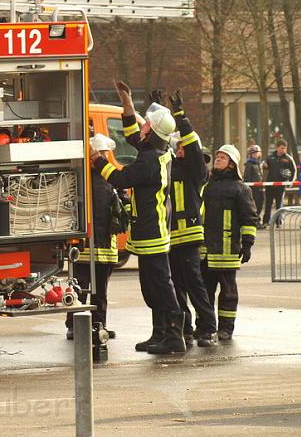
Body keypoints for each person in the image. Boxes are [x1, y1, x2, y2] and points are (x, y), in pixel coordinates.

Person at [91, 81, 185, 355]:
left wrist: (98, 160)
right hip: (149, 231)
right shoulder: (155, 150)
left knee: (160, 287)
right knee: (152, 287)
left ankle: (173, 336)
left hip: (152, 232)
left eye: (146, 124)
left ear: (152, 131)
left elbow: (121, 178)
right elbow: (133, 135)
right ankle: (160, 334)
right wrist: (128, 104)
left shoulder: (150, 160)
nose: (142, 126)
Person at [164, 88, 218, 348]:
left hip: (190, 236)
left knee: (195, 285)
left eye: (183, 145)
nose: (180, 147)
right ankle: (185, 328)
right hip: (171, 238)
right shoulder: (172, 168)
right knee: (177, 288)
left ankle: (208, 328)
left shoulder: (197, 171)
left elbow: (193, 145)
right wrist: (156, 108)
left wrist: (181, 115)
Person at [66, 133, 123, 340]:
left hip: (100, 247)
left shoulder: (106, 181)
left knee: (94, 290)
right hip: (88, 247)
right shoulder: (93, 181)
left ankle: (94, 325)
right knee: (85, 289)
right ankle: (82, 325)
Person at [202, 144, 259, 340]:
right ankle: (205, 327)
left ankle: (226, 328)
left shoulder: (240, 189)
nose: (217, 159)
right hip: (206, 249)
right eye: (217, 156)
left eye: (223, 157)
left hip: (228, 248)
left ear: (232, 165)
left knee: (228, 292)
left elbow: (249, 218)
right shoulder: (207, 186)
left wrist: (248, 244)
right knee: (204, 292)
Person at [262, 139, 296, 226]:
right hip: (270, 184)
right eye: (281, 148)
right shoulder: (270, 157)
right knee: (268, 203)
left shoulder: (288, 158)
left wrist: (290, 182)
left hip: (281, 185)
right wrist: (264, 166)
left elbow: (294, 170)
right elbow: (266, 167)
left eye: (285, 148)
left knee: (279, 204)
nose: (283, 150)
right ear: (277, 147)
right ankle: (266, 221)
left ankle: (279, 222)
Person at [244, 145, 265, 228]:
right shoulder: (249, 164)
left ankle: (258, 220)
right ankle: (255, 221)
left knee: (260, 204)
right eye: (254, 153)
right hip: (254, 189)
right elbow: (247, 176)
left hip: (260, 188)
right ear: (251, 154)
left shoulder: (259, 163)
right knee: (255, 205)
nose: (256, 154)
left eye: (257, 152)